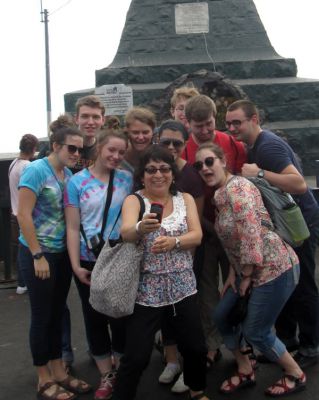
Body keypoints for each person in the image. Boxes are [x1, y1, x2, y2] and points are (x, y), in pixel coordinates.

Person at [195, 143, 306, 397]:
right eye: (198, 165)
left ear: (223, 160)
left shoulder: (239, 188)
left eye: (209, 161)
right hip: (248, 270)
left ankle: (294, 374)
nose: (204, 168)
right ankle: (245, 367)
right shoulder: (221, 193)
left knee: (257, 331)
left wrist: (245, 276)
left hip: (274, 269)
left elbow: (250, 235)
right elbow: (233, 241)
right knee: (222, 315)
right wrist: (235, 273)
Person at [226, 99, 319, 369]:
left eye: (238, 122)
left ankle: (311, 345)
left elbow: (299, 184)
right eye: (229, 123)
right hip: (287, 224)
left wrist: (260, 173)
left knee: (303, 286)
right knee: (288, 283)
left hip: (299, 223)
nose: (233, 127)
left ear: (254, 120)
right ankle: (288, 339)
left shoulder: (268, 146)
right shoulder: (255, 145)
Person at [112, 145, 209, 400]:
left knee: (196, 347)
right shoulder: (134, 200)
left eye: (164, 169)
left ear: (172, 173)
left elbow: (197, 235)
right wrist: (141, 228)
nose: (158, 174)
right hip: (147, 290)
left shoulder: (184, 198)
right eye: (151, 169)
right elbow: (126, 233)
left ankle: (197, 390)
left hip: (182, 287)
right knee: (136, 356)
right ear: (141, 175)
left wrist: (175, 242)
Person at [17, 126, 92, 400]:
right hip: (38, 253)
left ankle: (59, 371)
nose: (76, 153)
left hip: (60, 253)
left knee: (57, 312)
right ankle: (43, 377)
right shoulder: (36, 170)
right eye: (71, 147)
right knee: (42, 316)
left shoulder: (68, 175)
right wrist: (37, 255)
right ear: (56, 146)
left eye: (79, 149)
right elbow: (23, 215)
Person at [64, 128, 133, 400]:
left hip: (117, 258)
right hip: (87, 258)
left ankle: (120, 366)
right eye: (111, 150)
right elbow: (72, 226)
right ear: (99, 149)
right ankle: (106, 373)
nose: (116, 156)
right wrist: (74, 265)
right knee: (93, 316)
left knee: (119, 314)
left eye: (121, 152)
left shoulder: (127, 180)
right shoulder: (77, 182)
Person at [183, 94, 247, 368]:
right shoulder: (184, 151)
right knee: (206, 289)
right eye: (199, 127)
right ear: (188, 124)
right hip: (205, 230)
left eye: (209, 124)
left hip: (233, 229)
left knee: (238, 287)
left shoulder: (230, 143)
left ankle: (242, 345)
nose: (206, 131)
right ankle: (212, 344)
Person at [157, 119, 204, 393]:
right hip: (159, 255)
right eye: (166, 142)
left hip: (186, 255)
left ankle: (190, 367)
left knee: (187, 313)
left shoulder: (191, 177)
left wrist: (187, 260)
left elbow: (194, 221)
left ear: (185, 144)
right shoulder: (152, 168)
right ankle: (171, 359)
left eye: (177, 142)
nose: (172, 147)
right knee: (164, 309)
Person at [9, 133, 38, 294]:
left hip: (14, 212)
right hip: (25, 213)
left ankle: (21, 282)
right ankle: (25, 282)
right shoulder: (28, 167)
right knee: (28, 248)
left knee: (21, 247)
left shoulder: (14, 163)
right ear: (33, 149)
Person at [72, 95, 106, 172]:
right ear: (76, 119)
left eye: (96, 117)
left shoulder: (106, 150)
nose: (90, 122)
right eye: (85, 116)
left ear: (103, 120)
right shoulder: (61, 147)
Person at [122, 106, 155, 173]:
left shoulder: (161, 155)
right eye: (135, 132)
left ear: (153, 132)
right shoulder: (119, 156)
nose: (140, 137)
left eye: (145, 132)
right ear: (127, 132)